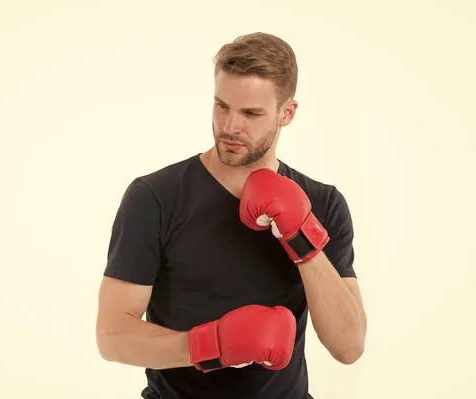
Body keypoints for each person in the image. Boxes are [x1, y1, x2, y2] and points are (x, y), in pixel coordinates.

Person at [95, 32, 367, 399]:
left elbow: (348, 347)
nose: (229, 127)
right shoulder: (156, 197)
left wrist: (303, 237)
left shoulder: (323, 202)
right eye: (221, 106)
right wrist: (211, 345)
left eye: (251, 113)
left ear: (286, 113)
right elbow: (112, 336)